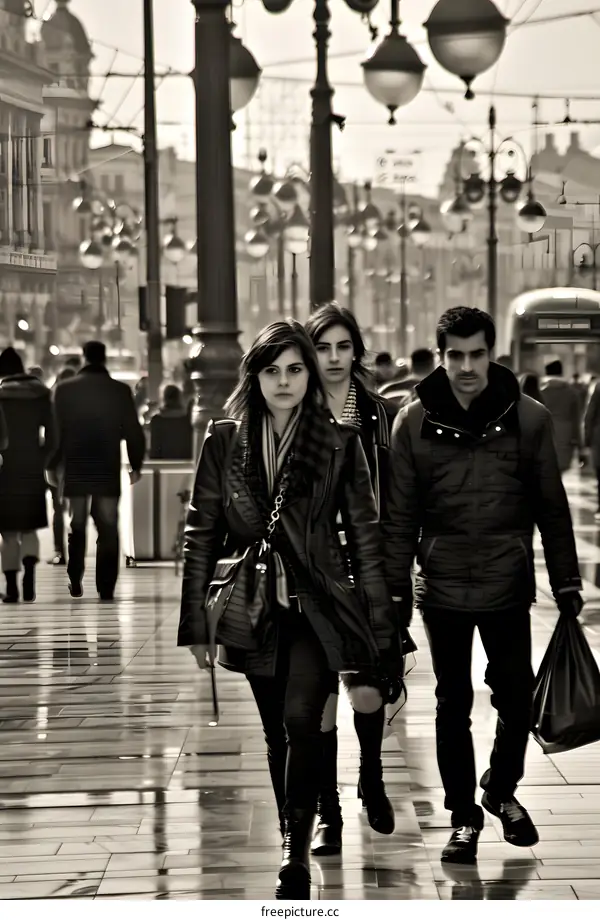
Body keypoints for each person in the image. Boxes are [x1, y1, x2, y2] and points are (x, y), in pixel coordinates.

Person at [178, 320, 399, 899]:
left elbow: (367, 538)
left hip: (320, 602)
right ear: (254, 375)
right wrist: (193, 624)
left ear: (308, 376)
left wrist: (381, 628)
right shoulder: (224, 440)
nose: (284, 381)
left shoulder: (339, 442)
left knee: (303, 720)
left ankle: (293, 857)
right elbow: (200, 532)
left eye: (295, 369)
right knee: (279, 733)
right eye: (272, 370)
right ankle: (291, 833)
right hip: (253, 606)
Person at [381, 306, 582, 865]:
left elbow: (552, 508)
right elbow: (398, 518)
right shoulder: (413, 422)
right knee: (452, 702)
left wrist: (566, 580)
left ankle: (500, 789)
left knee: (516, 698)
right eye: (455, 355)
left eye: (476, 354)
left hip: (507, 580)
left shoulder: (531, 419)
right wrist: (395, 595)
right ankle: (463, 817)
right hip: (441, 584)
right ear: (441, 354)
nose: (466, 367)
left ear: (492, 353)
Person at [304, 303, 399, 856]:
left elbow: (398, 493)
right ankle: (327, 812)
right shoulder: (297, 409)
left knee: (367, 690)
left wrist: (400, 566)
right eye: (324, 347)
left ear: (356, 351)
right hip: (314, 566)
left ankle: (371, 775)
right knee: (316, 695)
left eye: (344, 347)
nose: (335, 359)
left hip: (368, 563)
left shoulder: (379, 413)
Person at [46, 341, 146, 601]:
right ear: (104, 359)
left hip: (75, 465)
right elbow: (134, 431)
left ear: (84, 358)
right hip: (106, 464)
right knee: (108, 525)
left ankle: (75, 578)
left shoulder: (64, 390)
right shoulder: (119, 391)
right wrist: (136, 464)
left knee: (76, 524)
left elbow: (55, 432)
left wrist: (50, 464)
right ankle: (106, 586)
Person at [0, 347, 55, 603]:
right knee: (30, 526)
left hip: (5, 467)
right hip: (32, 465)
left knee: (9, 531)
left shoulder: (1, 396)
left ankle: (11, 587)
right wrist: (44, 456)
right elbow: (53, 433)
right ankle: (30, 575)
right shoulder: (41, 395)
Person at [46, 366, 78, 566]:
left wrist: (49, 465)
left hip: (59, 464)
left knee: (58, 510)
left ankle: (60, 551)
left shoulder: (53, 405)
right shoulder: (83, 405)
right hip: (78, 463)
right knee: (76, 511)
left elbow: (52, 440)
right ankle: (73, 551)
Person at [540, 359, 581, 473]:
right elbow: (576, 419)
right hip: (565, 435)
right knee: (559, 469)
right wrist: (579, 444)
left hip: (544, 435)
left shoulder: (540, 392)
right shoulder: (572, 393)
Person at [148, 384, 193, 460]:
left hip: (163, 463)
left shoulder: (157, 420)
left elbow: (155, 448)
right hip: (184, 463)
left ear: (164, 398)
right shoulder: (187, 420)